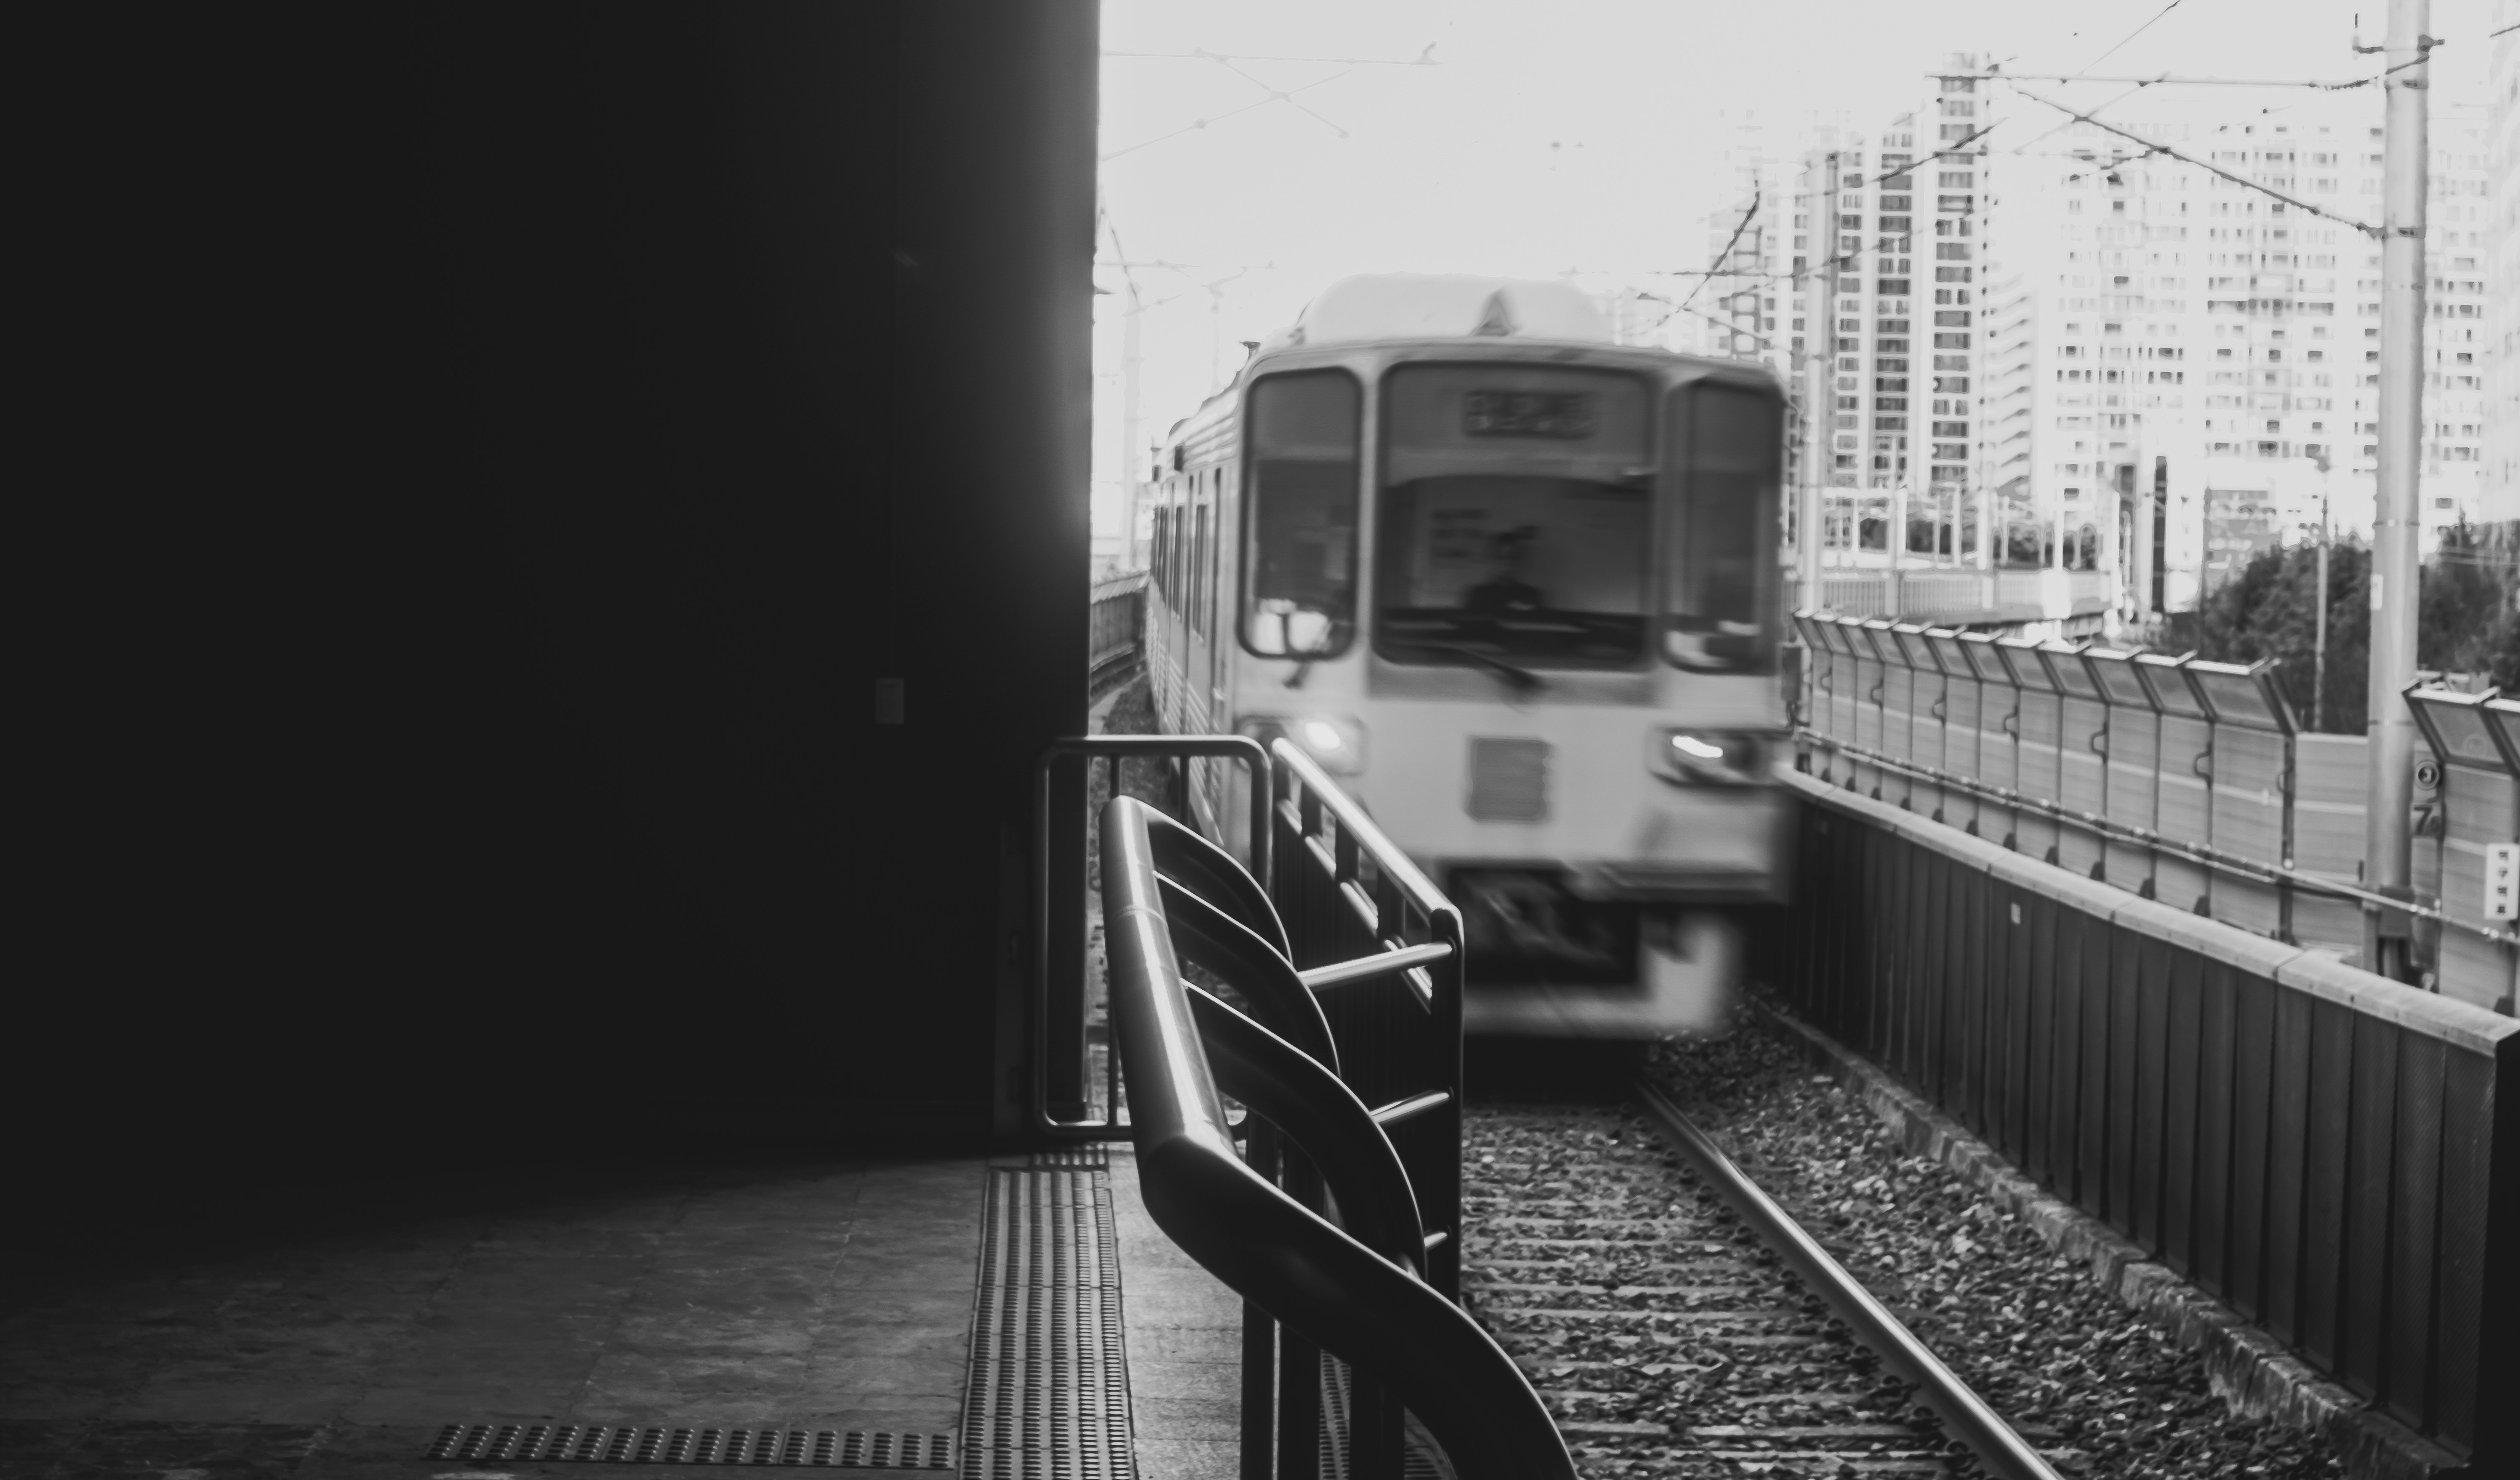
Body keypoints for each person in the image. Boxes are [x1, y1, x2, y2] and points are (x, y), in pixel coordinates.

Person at [1463, 526, 1544, 614]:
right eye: (1501, 558)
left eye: (1513, 558)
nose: (1508, 564)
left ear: (1520, 560)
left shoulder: (1531, 595)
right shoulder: (1479, 594)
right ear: (1492, 559)